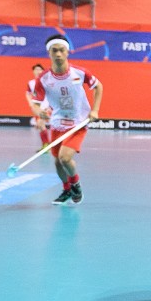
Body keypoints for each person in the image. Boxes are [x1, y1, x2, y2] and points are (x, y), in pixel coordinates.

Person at [33, 35, 104, 205]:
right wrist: (40, 114)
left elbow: (98, 86)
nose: (58, 54)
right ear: (49, 53)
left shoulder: (79, 72)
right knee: (57, 162)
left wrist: (95, 110)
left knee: (65, 158)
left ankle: (76, 185)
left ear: (67, 52)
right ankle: (66, 190)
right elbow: (36, 104)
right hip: (57, 123)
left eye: (61, 50)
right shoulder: (43, 79)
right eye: (54, 50)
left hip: (78, 122)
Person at [25, 63, 51, 148]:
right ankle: (45, 145)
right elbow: (28, 93)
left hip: (47, 108)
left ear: (43, 71)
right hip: (37, 108)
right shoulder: (31, 83)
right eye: (36, 69)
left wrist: (49, 107)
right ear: (33, 71)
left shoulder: (47, 82)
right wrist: (30, 103)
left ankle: (48, 145)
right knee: (40, 127)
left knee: (40, 124)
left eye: (40, 69)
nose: (38, 71)